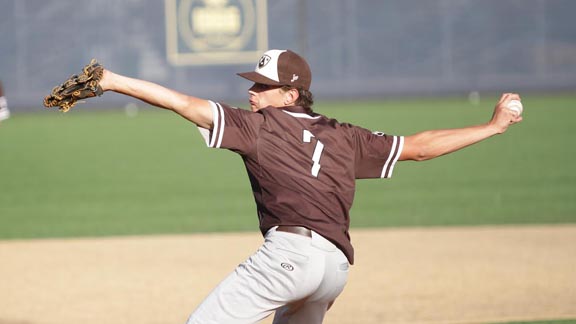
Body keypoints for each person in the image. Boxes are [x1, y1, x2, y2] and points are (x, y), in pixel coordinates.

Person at [95, 49, 522, 324]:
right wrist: (492, 127)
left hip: (289, 258)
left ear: (290, 95)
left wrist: (113, 81)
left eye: (263, 86)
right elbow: (421, 148)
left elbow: (183, 104)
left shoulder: (259, 127)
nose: (252, 91)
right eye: (253, 83)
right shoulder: (346, 135)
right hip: (334, 270)